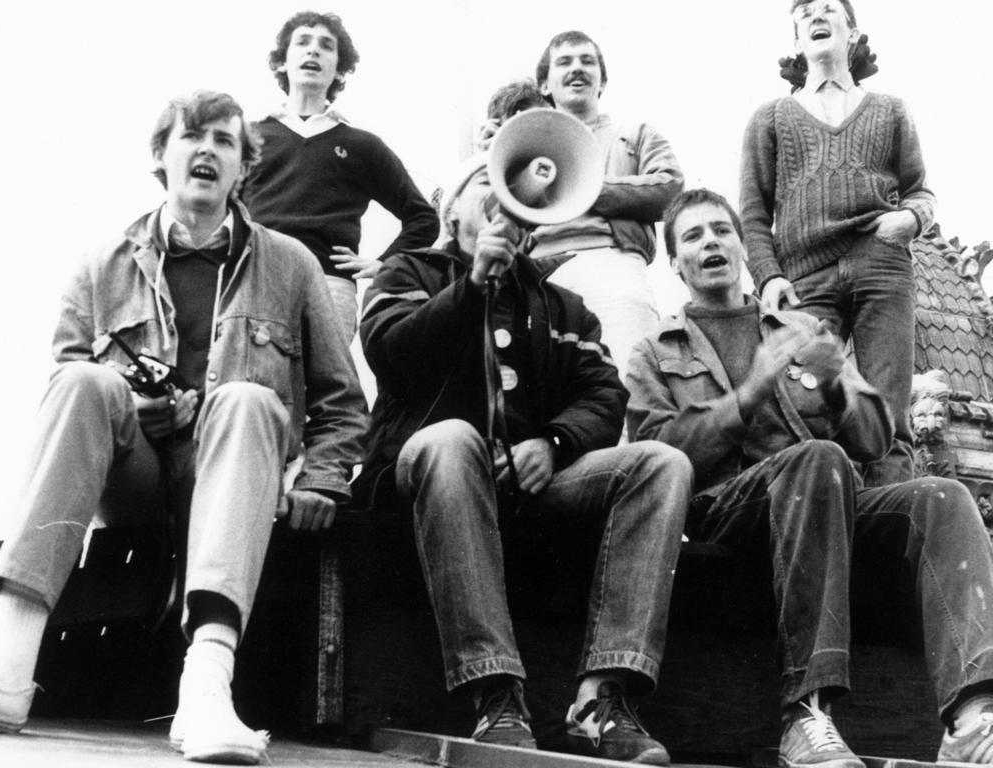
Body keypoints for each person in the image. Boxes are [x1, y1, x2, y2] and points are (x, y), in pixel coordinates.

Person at [0, 91, 368, 765]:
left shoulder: (293, 265)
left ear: (244, 167)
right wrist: (135, 403)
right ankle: (6, 660)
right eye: (192, 136)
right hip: (137, 479)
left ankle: (207, 687)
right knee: (83, 381)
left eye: (225, 141)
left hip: (237, 478)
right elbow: (65, 390)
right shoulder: (102, 264)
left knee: (245, 399)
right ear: (163, 155)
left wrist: (321, 480)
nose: (208, 150)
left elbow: (342, 404)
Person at [627, 188, 993, 767]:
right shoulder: (654, 352)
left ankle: (974, 717)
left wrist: (836, 383)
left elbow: (876, 439)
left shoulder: (799, 328)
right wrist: (749, 394)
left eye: (722, 231)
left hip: (826, 501)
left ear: (743, 247)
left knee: (942, 495)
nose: (711, 243)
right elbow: (661, 456)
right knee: (817, 457)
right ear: (675, 262)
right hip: (726, 515)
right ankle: (806, 715)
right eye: (693, 236)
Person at [358, 165, 692, 764]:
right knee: (452, 438)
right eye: (483, 181)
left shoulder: (563, 305)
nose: (504, 193)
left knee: (661, 464)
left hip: (530, 489)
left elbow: (605, 395)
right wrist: (472, 286)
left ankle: (601, 700)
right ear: (451, 210)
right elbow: (391, 354)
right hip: (426, 476)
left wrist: (556, 444)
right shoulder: (408, 271)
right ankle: (494, 691)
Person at [740, 0, 935, 486]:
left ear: (853, 33)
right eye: (805, 11)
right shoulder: (770, 118)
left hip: (882, 265)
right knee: (801, 403)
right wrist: (769, 275)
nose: (818, 15)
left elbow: (921, 190)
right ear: (796, 40)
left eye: (830, 8)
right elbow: (753, 211)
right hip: (804, 279)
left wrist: (909, 219)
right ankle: (822, 522)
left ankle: (889, 534)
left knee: (889, 413)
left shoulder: (890, 109)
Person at [242, 10, 439, 343]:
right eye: (302, 42)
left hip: (330, 287)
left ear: (339, 67)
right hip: (256, 282)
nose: (313, 50)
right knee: (256, 388)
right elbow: (217, 212)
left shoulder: (361, 145)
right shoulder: (249, 138)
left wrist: (385, 264)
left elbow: (423, 218)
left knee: (325, 391)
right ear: (282, 62)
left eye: (326, 46)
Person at [530, 30, 683, 378]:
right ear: (544, 85)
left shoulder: (637, 133)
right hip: (539, 273)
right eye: (564, 62)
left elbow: (671, 188)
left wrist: (586, 188)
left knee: (630, 381)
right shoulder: (526, 141)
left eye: (587, 61)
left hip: (614, 262)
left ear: (602, 80)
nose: (577, 69)